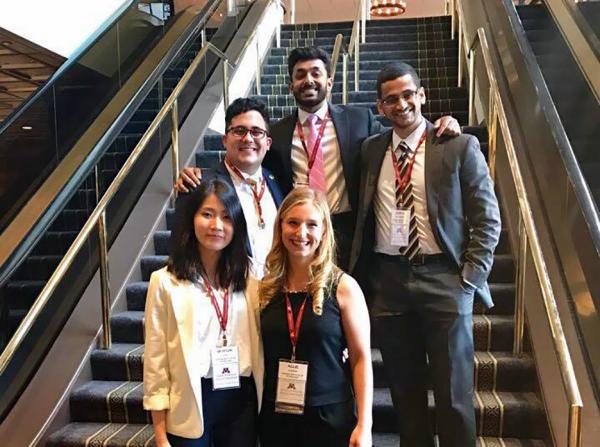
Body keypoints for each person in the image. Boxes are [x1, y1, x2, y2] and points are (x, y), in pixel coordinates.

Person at [176, 46, 461, 269]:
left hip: (349, 231)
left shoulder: (359, 120)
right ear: (290, 86)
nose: (308, 80)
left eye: (315, 73)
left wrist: (437, 126)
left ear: (329, 81)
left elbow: (400, 138)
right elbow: (246, 162)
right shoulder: (276, 132)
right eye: (300, 75)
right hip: (297, 232)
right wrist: (204, 175)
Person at [349, 62, 501, 447]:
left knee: (455, 397)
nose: (401, 104)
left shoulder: (458, 144)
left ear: (422, 95)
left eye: (407, 94)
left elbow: (488, 219)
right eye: (390, 99)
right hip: (389, 283)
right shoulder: (370, 150)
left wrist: (469, 279)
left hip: (445, 280)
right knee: (405, 394)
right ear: (380, 107)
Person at [143, 178, 264, 447]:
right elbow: (155, 361)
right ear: (191, 219)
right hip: (190, 399)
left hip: (241, 399)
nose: (216, 225)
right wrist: (160, 435)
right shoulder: (164, 282)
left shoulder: (251, 276)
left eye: (226, 217)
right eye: (207, 214)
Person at [257, 187, 373, 447]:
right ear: (280, 227)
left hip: (330, 415)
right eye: (293, 223)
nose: (301, 233)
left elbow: (360, 358)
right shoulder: (265, 288)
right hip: (277, 415)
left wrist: (365, 425)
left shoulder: (344, 287)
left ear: (323, 232)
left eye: (311, 224)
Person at [176, 97, 284, 276]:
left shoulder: (276, 182)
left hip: (276, 293)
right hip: (227, 294)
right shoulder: (198, 185)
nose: (248, 138)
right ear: (225, 140)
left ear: (268, 143)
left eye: (256, 132)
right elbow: (182, 252)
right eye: (239, 131)